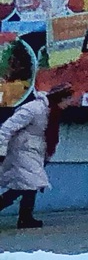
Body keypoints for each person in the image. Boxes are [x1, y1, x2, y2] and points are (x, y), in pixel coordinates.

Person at [0, 78, 72, 230]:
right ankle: (25, 218)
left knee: (26, 185)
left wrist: (46, 156)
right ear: (60, 98)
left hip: (32, 151)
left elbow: (47, 137)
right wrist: (1, 150)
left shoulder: (52, 111)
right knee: (30, 183)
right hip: (21, 150)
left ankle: (25, 218)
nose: (69, 104)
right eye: (68, 100)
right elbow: (7, 128)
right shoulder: (34, 108)